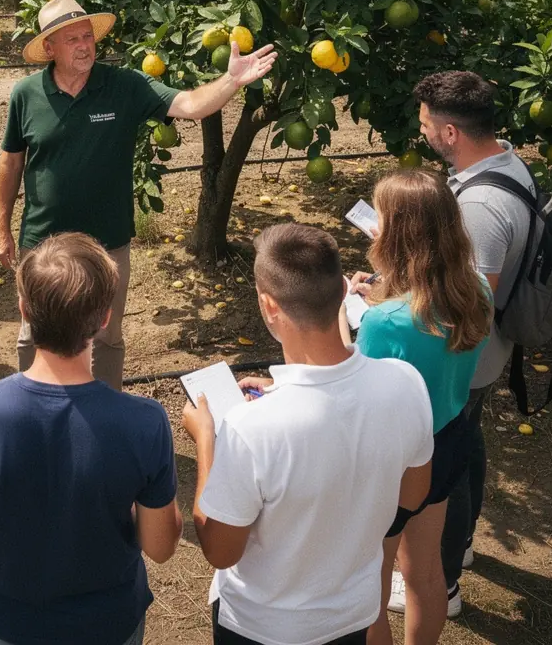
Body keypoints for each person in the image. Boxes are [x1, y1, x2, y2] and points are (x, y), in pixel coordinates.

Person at [0, 0, 277, 390]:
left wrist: (231, 80)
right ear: (49, 48)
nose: (85, 45)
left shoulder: (124, 86)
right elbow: (11, 162)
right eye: (73, 39)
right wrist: (2, 228)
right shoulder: (26, 94)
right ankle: (34, 405)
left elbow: (192, 105)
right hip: (42, 243)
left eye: (88, 36)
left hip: (107, 242)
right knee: (35, 334)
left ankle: (104, 412)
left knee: (106, 339)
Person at [182, 223, 434, 645]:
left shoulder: (250, 428)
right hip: (353, 615)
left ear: (268, 306)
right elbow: (410, 497)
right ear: (341, 289)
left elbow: (220, 551)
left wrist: (208, 440)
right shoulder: (406, 383)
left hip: (261, 629)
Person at [0, 232, 183, 645]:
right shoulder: (144, 422)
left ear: (24, 311)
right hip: (108, 624)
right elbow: (161, 546)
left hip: (10, 623)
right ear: (104, 319)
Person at [346, 171, 492, 644]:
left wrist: (351, 318)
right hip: (447, 439)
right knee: (425, 571)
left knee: (370, 581)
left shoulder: (385, 322)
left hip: (392, 461)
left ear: (398, 234)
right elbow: (425, 314)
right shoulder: (475, 290)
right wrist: (383, 295)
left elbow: (356, 387)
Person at [412, 70, 534, 612]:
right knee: (470, 443)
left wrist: (397, 297)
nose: (422, 134)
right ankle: (459, 550)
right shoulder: (508, 163)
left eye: (425, 125)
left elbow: (473, 301)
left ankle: (445, 580)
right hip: (487, 352)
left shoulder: (479, 208)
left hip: (466, 355)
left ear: (451, 133)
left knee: (448, 464)